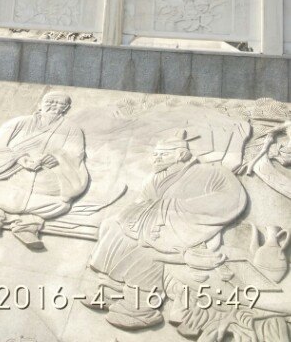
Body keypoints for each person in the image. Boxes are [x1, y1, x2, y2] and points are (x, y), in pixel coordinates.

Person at [88, 129, 247, 331]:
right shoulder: (153, 179)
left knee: (147, 250)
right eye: (155, 154)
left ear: (182, 154)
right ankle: (112, 289)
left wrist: (172, 208)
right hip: (151, 224)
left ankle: (141, 309)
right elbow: (141, 201)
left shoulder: (212, 172)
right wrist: (135, 213)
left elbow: (230, 199)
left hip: (190, 228)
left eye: (163, 154)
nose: (156, 158)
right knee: (113, 226)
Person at [0, 91, 88, 249]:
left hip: (46, 177)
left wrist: (57, 158)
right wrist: (19, 158)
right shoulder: (20, 122)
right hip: (10, 171)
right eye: (50, 102)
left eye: (60, 103)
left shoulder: (71, 129)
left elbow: (75, 154)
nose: (54, 106)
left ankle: (27, 227)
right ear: (40, 104)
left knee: (60, 204)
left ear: (66, 108)